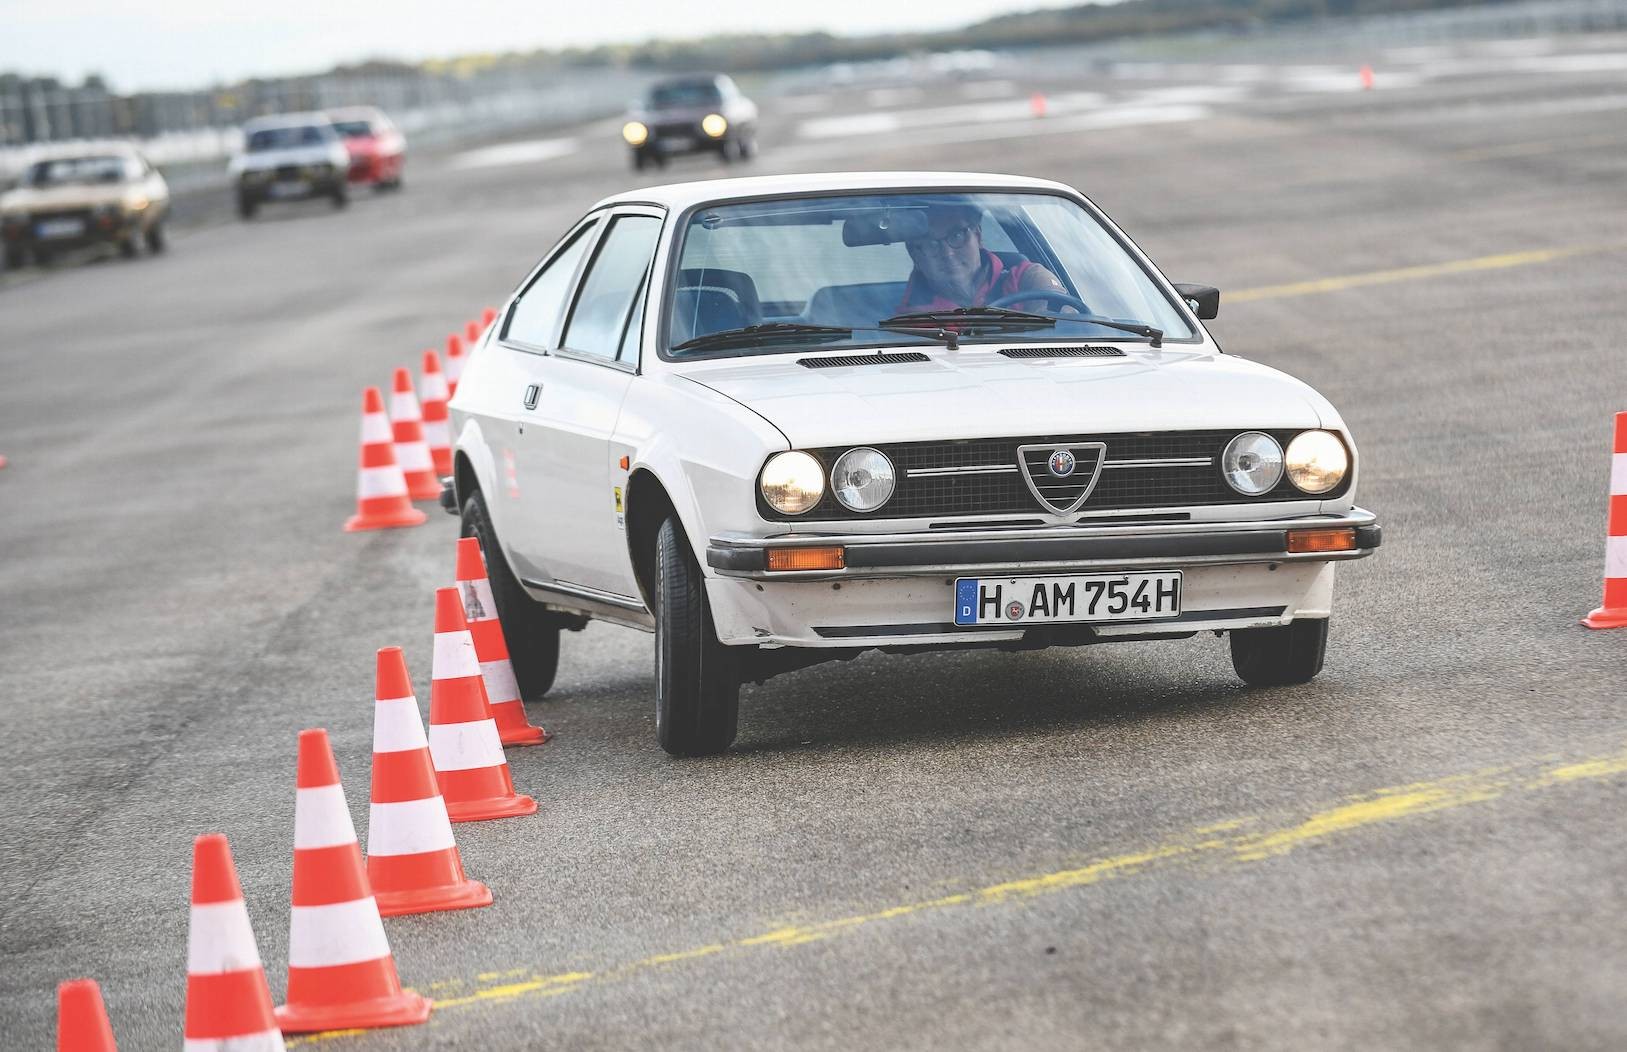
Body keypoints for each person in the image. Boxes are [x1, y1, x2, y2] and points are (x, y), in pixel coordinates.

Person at [897, 203, 1070, 312]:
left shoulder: (1029, 279)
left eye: (956, 236)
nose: (947, 254)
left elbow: (1067, 331)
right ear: (916, 256)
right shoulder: (907, 320)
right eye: (932, 244)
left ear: (978, 236)